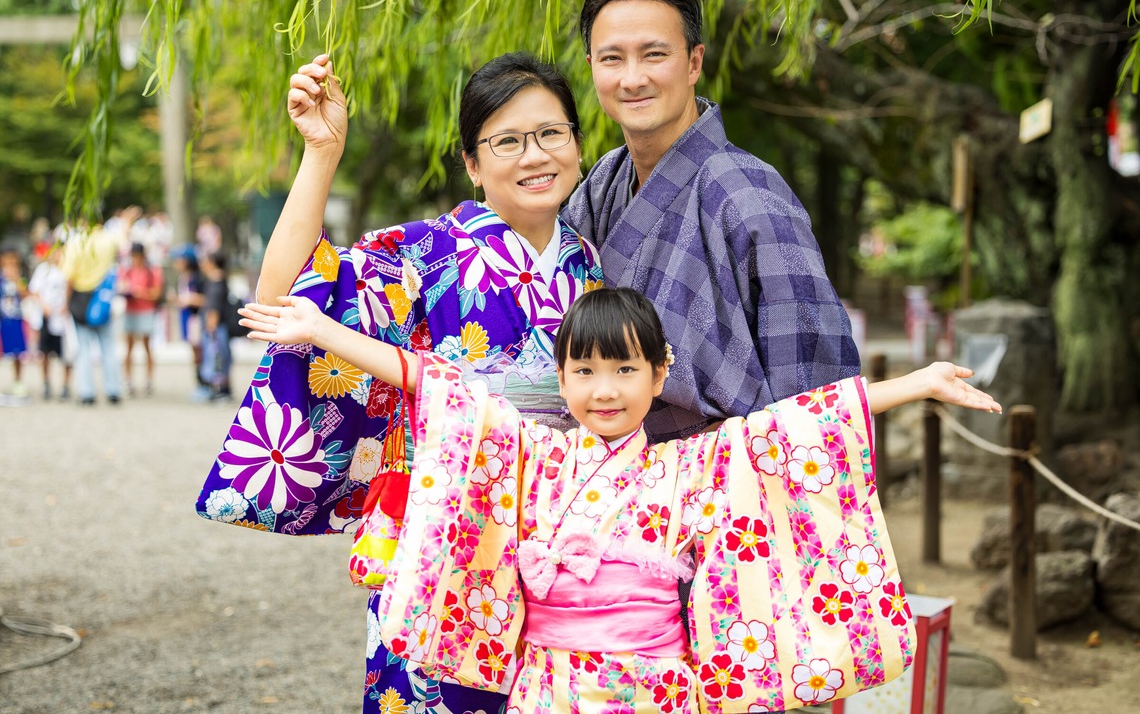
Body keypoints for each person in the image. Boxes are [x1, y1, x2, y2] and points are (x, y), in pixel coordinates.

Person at [237, 287, 1000, 712]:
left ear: (660, 373)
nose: (605, 391)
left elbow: (797, 427)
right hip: (547, 684)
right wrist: (326, 330)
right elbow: (436, 385)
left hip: (656, 688)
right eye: (586, 372)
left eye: (625, 371)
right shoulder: (531, 451)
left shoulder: (697, 463)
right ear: (561, 380)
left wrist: (918, 385)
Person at [196, 52, 603, 713]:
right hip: (448, 536)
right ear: (472, 162)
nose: (534, 155)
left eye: (551, 133)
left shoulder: (590, 262)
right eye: (507, 141)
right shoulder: (427, 255)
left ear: (578, 144)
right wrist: (321, 155)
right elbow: (283, 297)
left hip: (565, 544)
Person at [565, 0, 861, 443]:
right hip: (614, 487)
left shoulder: (749, 193)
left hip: (728, 490)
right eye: (612, 59)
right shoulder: (600, 186)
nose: (632, 77)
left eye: (654, 54)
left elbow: (817, 384)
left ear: (693, 62)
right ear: (592, 67)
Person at [62, 207, 140, 405]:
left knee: (84, 348)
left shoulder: (76, 242)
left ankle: (86, 391)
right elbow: (124, 242)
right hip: (103, 298)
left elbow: (68, 277)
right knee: (108, 346)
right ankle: (113, 389)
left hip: (80, 298)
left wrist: (65, 302)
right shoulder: (108, 238)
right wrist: (127, 222)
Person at [27, 245, 74, 400]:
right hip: (47, 317)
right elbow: (33, 291)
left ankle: (66, 385)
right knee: (45, 351)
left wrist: (67, 305)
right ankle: (46, 382)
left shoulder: (69, 270)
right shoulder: (43, 270)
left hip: (64, 318)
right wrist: (43, 305)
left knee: (67, 353)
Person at [118, 242, 164, 396]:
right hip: (130, 310)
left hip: (146, 310)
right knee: (128, 347)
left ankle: (149, 380)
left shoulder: (152, 272)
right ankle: (128, 380)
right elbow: (120, 286)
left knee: (147, 346)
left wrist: (139, 292)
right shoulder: (126, 271)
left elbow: (156, 294)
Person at [169, 244, 207, 399]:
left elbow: (206, 299)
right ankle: (200, 384)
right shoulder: (184, 278)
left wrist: (189, 299)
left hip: (197, 319)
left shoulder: (198, 278)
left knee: (201, 352)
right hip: (188, 319)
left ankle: (205, 384)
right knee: (194, 352)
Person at [197, 251, 233, 402]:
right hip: (218, 326)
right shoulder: (218, 279)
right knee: (219, 357)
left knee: (217, 358)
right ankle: (221, 389)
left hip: (216, 327)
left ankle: (220, 391)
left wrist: (210, 325)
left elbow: (215, 306)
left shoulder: (216, 281)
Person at [0, 246, 29, 397]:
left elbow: (25, 295)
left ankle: (17, 381)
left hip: (16, 319)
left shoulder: (19, 278)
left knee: (18, 352)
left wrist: (16, 280)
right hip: (2, 320)